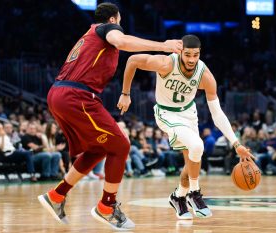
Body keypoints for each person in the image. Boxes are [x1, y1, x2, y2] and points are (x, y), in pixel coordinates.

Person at [37, 2, 182, 231]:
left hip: (60, 94)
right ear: (114, 19)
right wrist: (164, 45)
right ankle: (106, 207)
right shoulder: (106, 29)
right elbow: (123, 42)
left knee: (98, 149)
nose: (120, 25)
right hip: (77, 96)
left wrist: (125, 93)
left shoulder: (88, 36)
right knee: (121, 146)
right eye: (120, 21)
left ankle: (56, 195)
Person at [117, 35, 254, 219]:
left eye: (195, 55)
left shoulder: (205, 75)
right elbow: (133, 60)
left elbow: (217, 113)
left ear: (199, 54)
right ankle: (194, 194)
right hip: (166, 113)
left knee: (191, 164)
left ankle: (178, 196)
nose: (191, 59)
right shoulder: (166, 64)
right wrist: (125, 93)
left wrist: (237, 144)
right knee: (197, 146)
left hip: (188, 114)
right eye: (187, 54)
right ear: (180, 52)